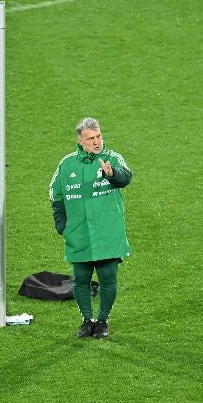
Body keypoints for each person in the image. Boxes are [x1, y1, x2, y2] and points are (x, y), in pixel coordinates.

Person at [49, 117, 133, 338]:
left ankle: (103, 321)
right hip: (78, 232)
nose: (97, 142)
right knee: (80, 279)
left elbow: (126, 177)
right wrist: (62, 226)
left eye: (99, 137)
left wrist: (112, 173)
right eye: (91, 138)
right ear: (80, 140)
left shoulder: (111, 158)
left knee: (107, 277)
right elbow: (55, 195)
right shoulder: (66, 164)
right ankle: (87, 321)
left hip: (107, 231)